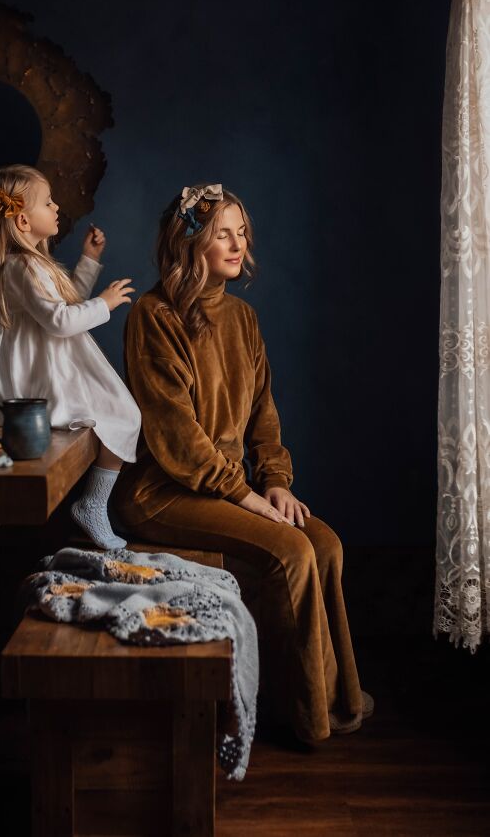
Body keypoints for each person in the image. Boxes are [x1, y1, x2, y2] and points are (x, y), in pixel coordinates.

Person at [112, 183, 372, 743]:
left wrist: (274, 481)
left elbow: (264, 414)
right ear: (192, 244)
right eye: (222, 233)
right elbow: (176, 436)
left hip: (225, 487)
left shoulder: (243, 318)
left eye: (241, 232)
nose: (238, 243)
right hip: (163, 491)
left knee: (324, 543)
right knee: (292, 551)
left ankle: (329, 701)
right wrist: (247, 495)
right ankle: (303, 721)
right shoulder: (153, 317)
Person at [0, 164, 140, 549]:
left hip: (47, 364)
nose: (56, 206)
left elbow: (64, 305)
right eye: (48, 201)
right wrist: (105, 303)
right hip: (35, 374)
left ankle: (94, 503)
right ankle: (93, 504)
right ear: (24, 221)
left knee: (124, 411)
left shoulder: (31, 265)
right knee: (124, 411)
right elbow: (61, 321)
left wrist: (89, 260)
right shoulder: (22, 266)